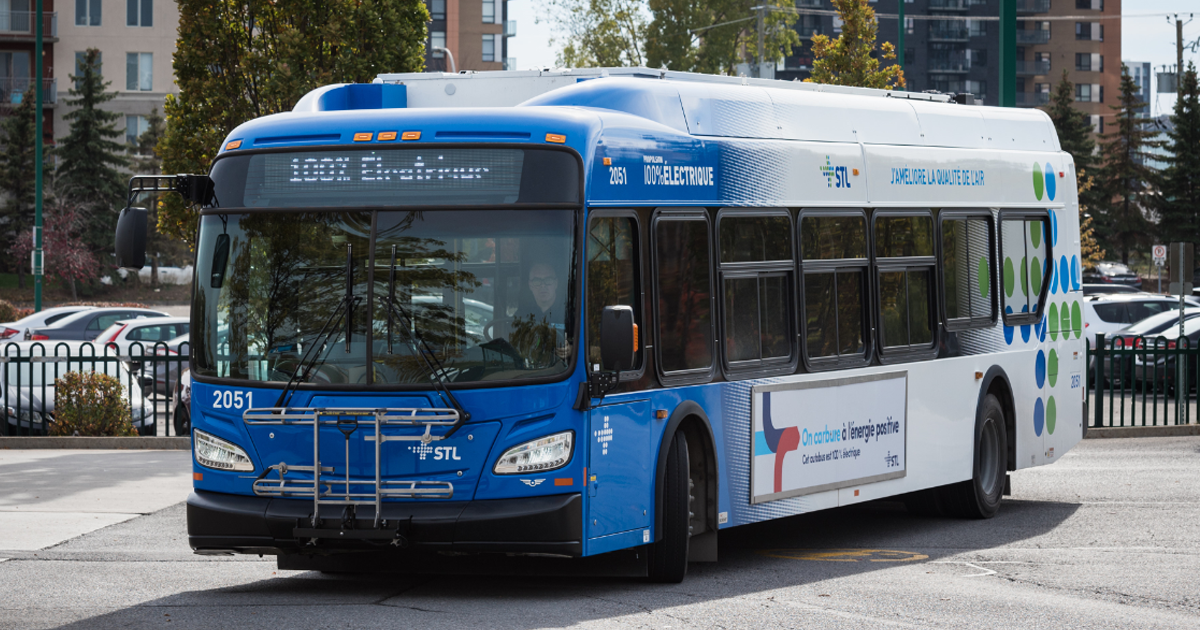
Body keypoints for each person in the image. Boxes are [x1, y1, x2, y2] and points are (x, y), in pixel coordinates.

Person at [510, 262, 571, 364]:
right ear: (530, 285)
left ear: (556, 283)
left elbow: (597, 350)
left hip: (563, 374)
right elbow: (509, 346)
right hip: (526, 375)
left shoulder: (571, 314)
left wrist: (572, 350)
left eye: (548, 280)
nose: (543, 286)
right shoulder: (521, 315)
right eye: (537, 281)